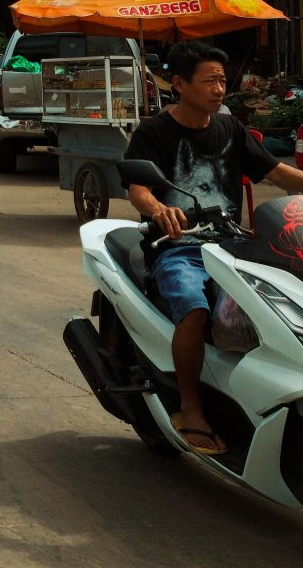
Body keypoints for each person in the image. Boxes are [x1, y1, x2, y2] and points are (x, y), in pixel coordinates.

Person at [123, 40, 303, 456]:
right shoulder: (153, 131)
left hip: (232, 244)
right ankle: (190, 406)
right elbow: (138, 188)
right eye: (209, 81)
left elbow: (276, 172)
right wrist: (159, 210)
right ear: (180, 84)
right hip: (177, 246)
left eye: (222, 80)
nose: (219, 89)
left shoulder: (230, 128)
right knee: (195, 306)